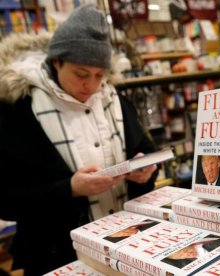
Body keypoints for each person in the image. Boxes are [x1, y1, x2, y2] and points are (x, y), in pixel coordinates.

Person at [0, 4, 158, 275]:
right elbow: (6, 200)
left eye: (100, 75)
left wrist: (146, 169)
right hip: (57, 255)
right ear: (56, 61)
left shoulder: (115, 99)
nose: (92, 85)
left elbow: (145, 150)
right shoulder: (18, 107)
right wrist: (70, 188)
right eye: (81, 74)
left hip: (129, 245)